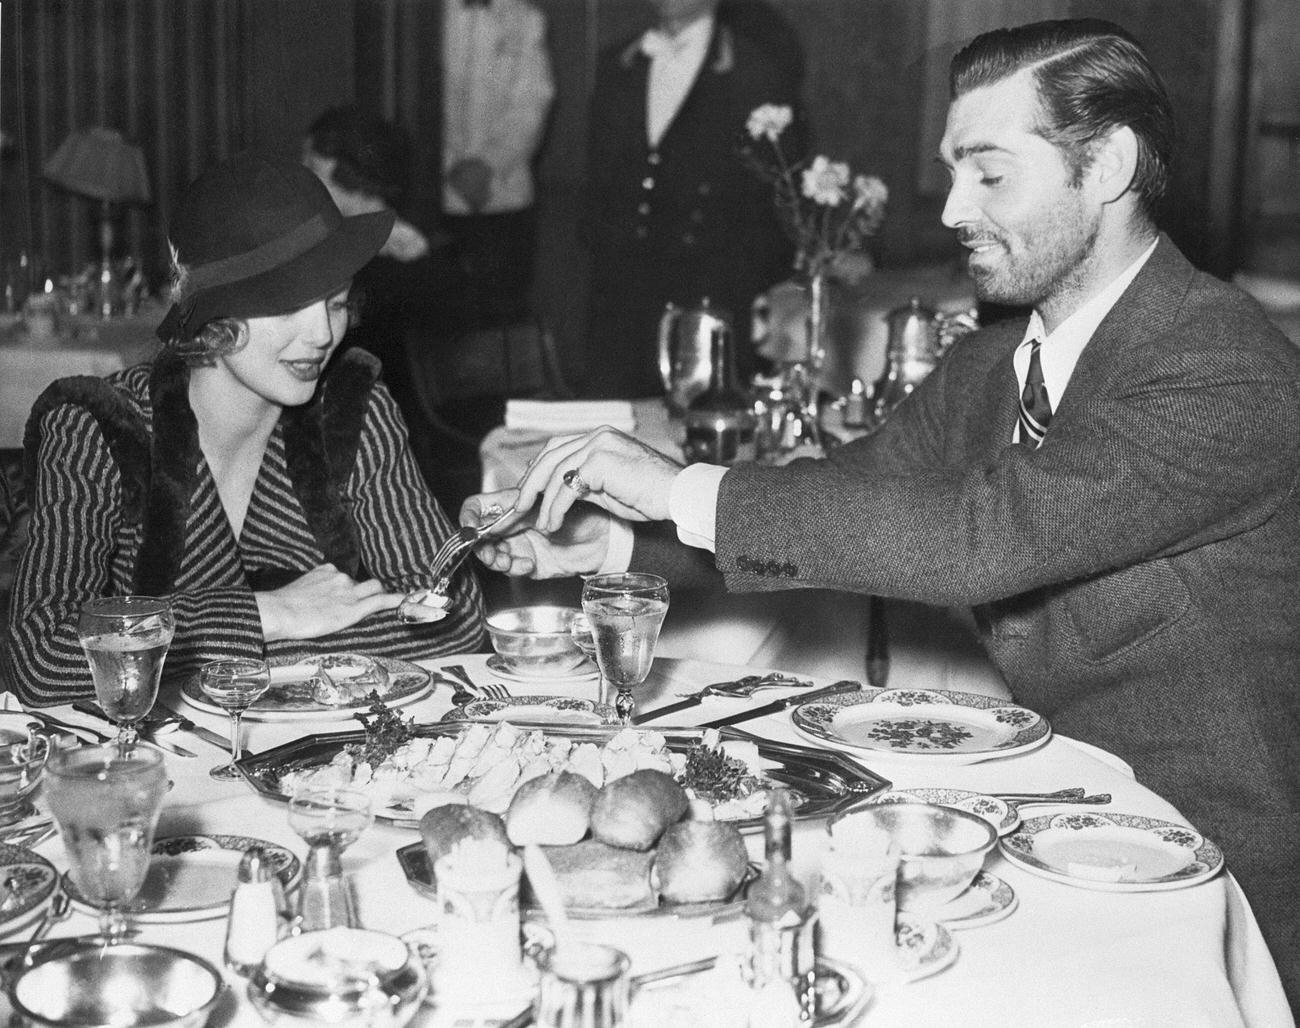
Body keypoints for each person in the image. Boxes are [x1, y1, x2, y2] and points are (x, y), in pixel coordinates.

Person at [468, 19, 1300, 1002]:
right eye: (951, 171)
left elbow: (977, 536)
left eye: (988, 174)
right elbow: (845, 502)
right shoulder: (992, 362)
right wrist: (611, 534)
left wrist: (679, 481)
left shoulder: (1221, 363)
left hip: (1206, 871)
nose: (950, 208)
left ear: (1108, 163)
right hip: (1038, 817)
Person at [2, 152, 484, 707]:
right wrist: (271, 614)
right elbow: (39, 659)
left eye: (335, 303)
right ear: (212, 311)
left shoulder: (353, 412)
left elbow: (456, 621)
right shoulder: (98, 428)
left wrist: (227, 648)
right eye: (286, 307)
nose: (322, 335)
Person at [581, 0, 804, 398]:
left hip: (708, 313)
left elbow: (769, 214)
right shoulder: (617, 63)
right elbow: (597, 194)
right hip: (618, 315)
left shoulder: (756, 71)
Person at [442, 0, 555, 329]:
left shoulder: (525, 18)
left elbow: (533, 101)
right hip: (434, 195)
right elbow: (418, 100)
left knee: (500, 316)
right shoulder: (424, 17)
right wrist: (450, 167)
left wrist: (489, 165)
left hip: (502, 194)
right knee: (440, 320)